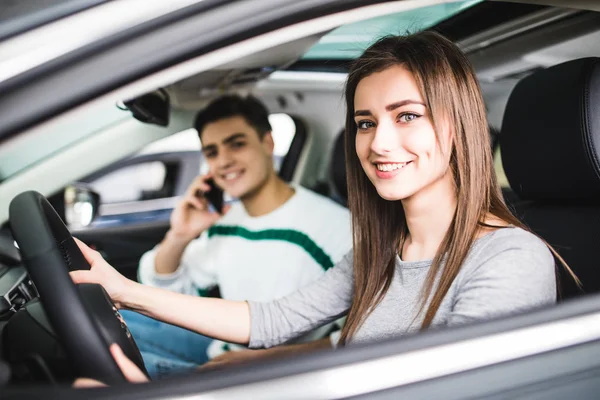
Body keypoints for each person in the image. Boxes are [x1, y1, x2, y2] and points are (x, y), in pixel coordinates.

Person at [72, 30, 577, 385]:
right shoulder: (380, 250)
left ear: (456, 126)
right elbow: (269, 321)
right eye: (364, 122)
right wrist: (126, 292)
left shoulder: (510, 258)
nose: (380, 143)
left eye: (406, 116)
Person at [119, 94, 352, 378]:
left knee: (112, 374)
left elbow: (356, 337)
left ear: (268, 143)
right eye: (212, 152)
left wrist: (262, 361)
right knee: (110, 323)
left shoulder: (337, 228)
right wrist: (180, 235)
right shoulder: (227, 221)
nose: (224, 161)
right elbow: (167, 294)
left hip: (276, 375)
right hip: (223, 350)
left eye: (237, 144)